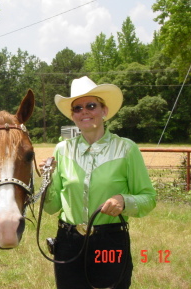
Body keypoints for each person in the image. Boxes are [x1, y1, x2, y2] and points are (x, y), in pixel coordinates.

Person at [42, 76, 156, 289]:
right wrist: (46, 180)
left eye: (91, 105)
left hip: (109, 241)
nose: (84, 111)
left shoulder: (126, 149)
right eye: (77, 108)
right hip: (68, 241)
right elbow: (51, 207)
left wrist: (124, 200)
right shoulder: (62, 150)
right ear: (72, 116)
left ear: (104, 111)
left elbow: (149, 198)